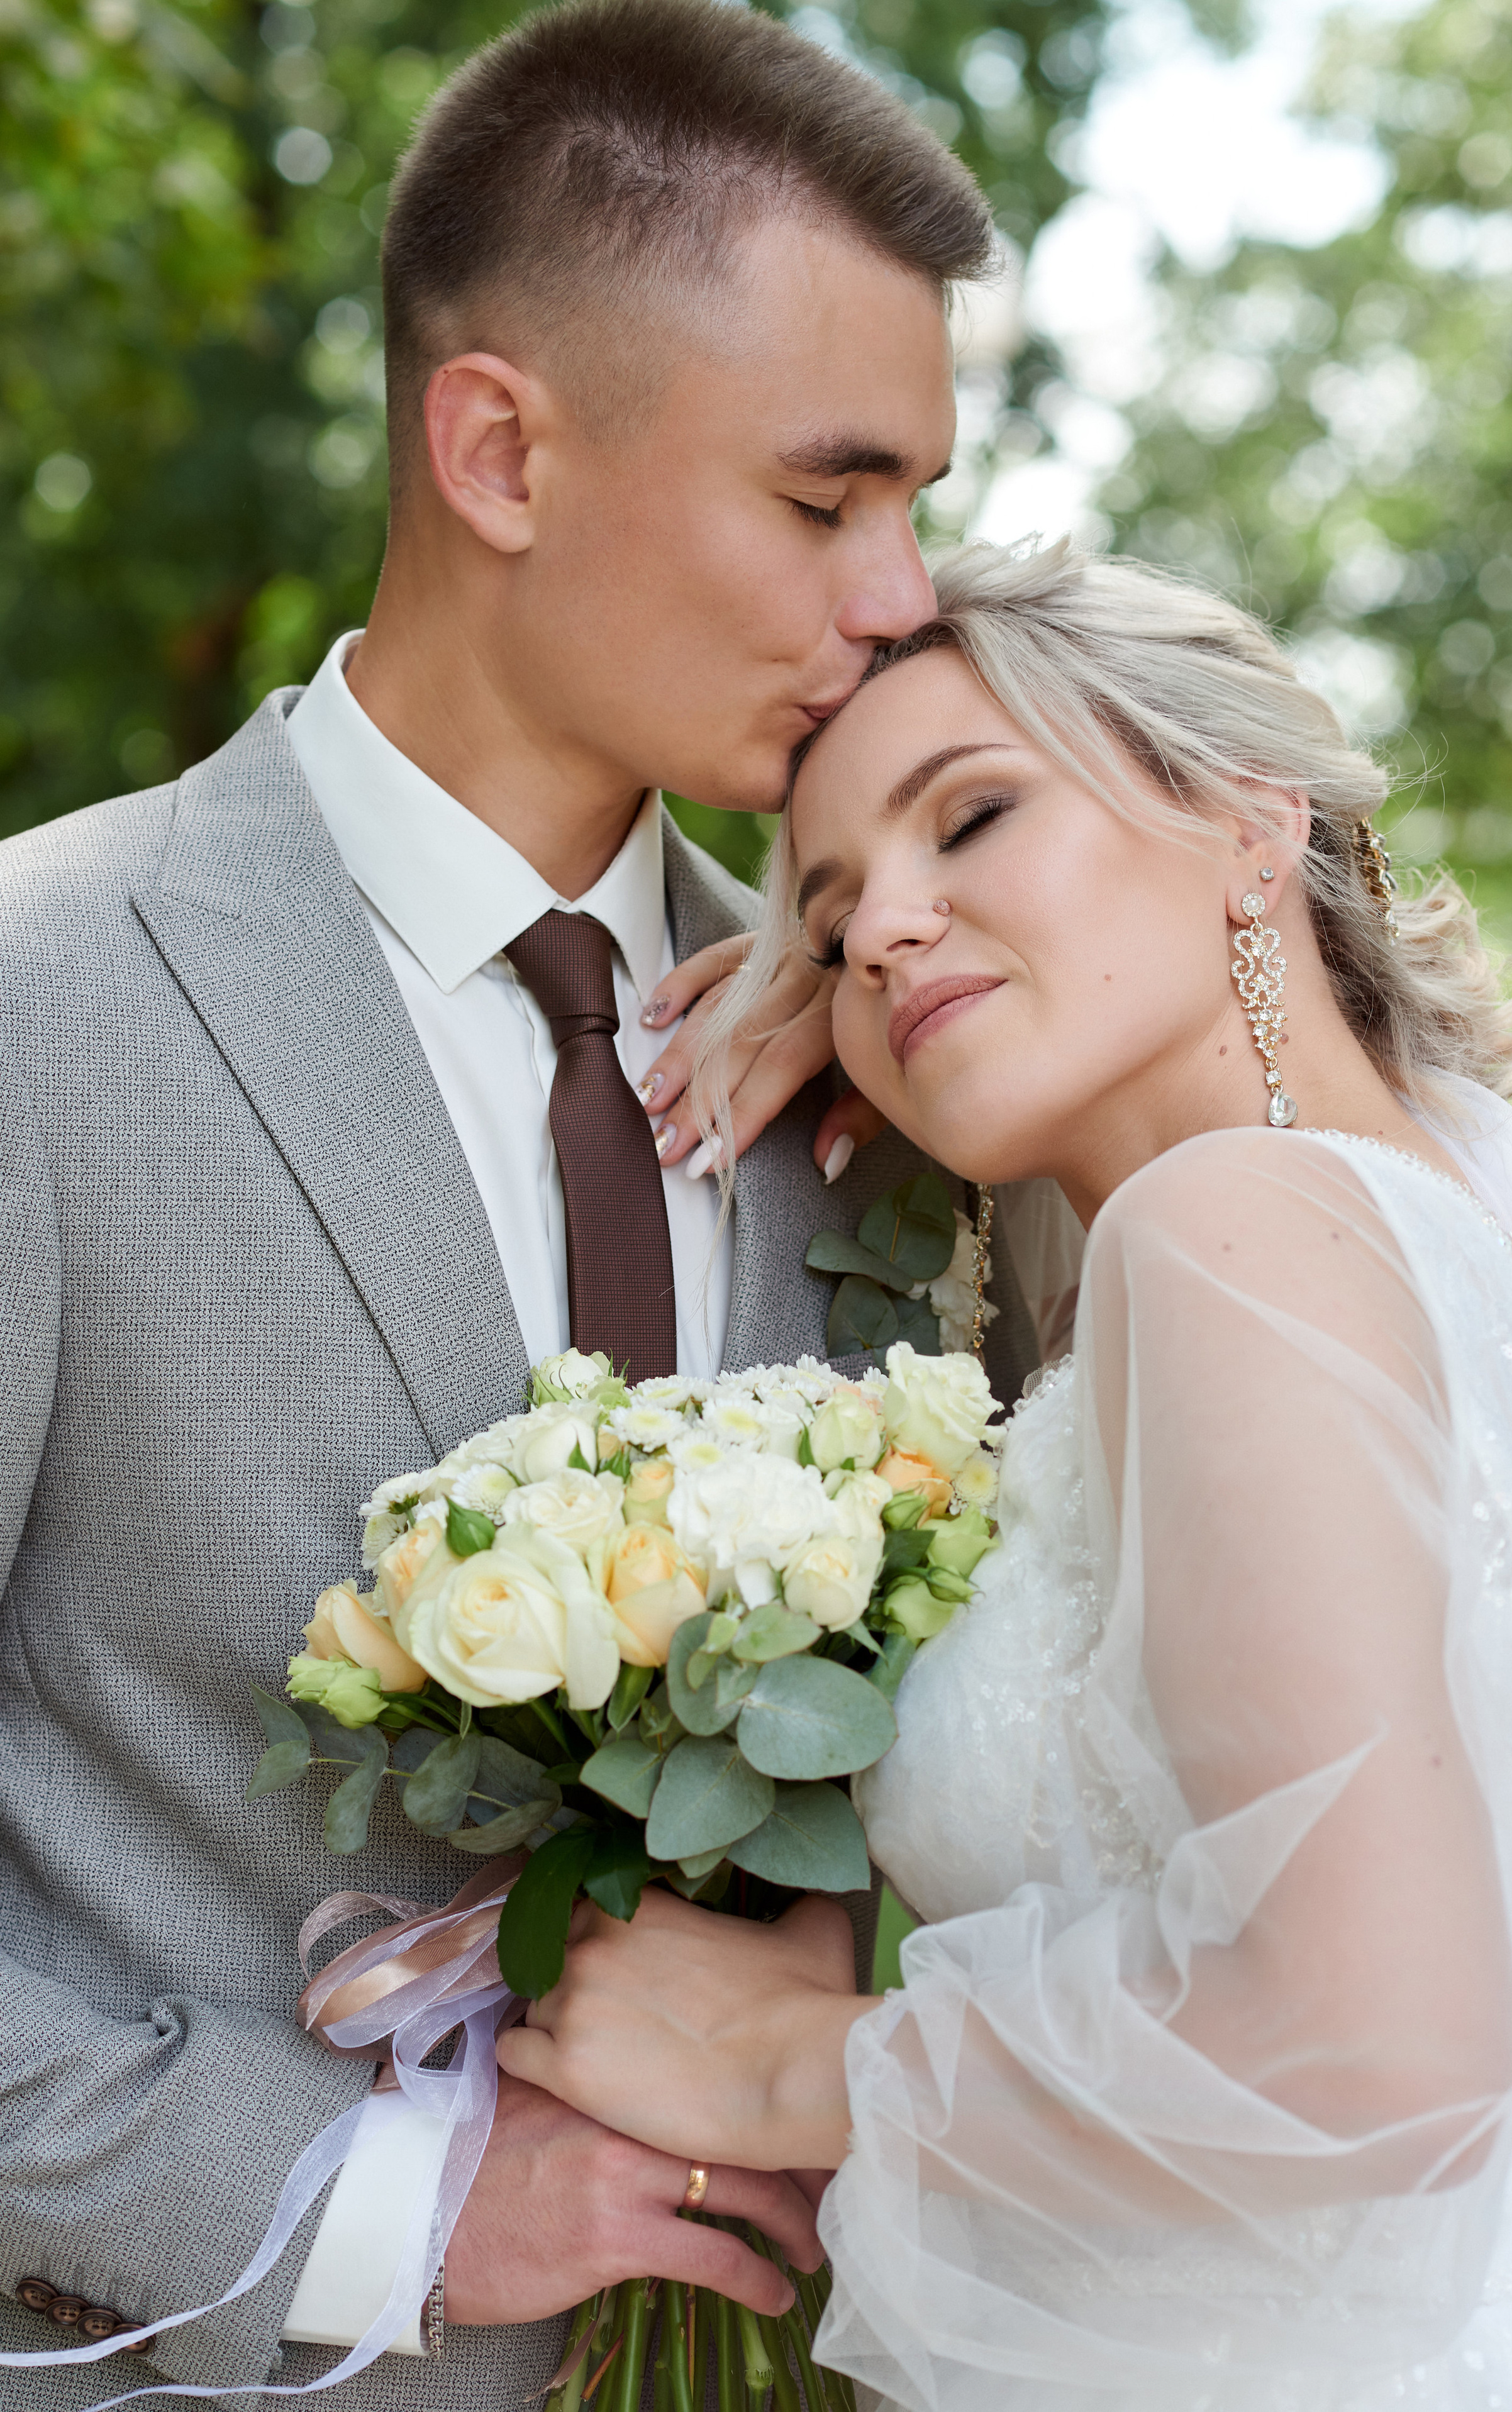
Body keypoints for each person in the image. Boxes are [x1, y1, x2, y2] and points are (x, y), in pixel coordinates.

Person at [0, 7, 1042, 2403]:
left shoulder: (911, 1060)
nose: (902, 598)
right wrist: (386, 2207)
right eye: (827, 500)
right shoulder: (43, 999)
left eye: (920, 503)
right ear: (498, 452)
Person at [501, 541, 1512, 2409]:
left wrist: (783, 2061)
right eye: (827, 922)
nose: (878, 931)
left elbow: (1375, 2053)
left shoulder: (1231, 1230)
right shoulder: (1450, 1259)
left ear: (1251, 826)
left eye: (974, 816)